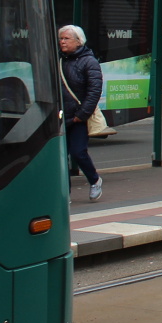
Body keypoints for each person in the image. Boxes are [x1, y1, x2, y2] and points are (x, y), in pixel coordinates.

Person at [58, 25, 104, 201]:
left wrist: (82, 114)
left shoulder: (89, 61)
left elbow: (94, 91)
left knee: (78, 152)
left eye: (66, 38)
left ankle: (95, 180)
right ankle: (65, 194)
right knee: (61, 157)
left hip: (78, 117)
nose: (62, 41)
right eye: (61, 38)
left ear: (78, 41)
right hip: (61, 116)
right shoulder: (60, 60)